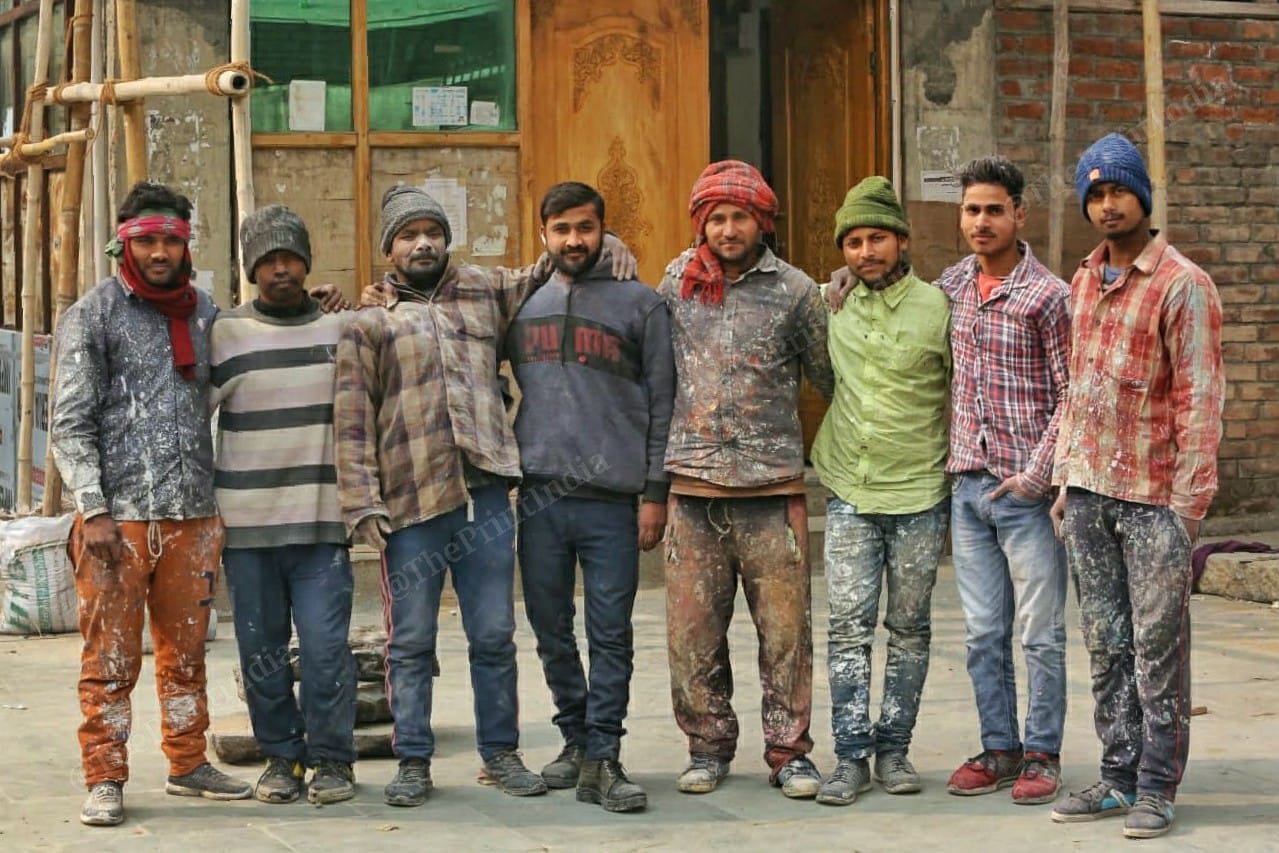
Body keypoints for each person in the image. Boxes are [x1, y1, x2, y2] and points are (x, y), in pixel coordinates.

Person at [336, 185, 632, 807]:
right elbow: (353, 420)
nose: (423, 244)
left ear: (448, 240)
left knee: (494, 636)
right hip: (411, 504)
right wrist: (362, 502)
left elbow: (554, 259)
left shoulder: (483, 290)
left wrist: (615, 243)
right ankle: (412, 761)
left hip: (486, 497)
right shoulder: (369, 323)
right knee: (409, 642)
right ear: (389, 248)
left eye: (433, 232)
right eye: (408, 235)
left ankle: (500, 754)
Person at [51, 181, 253, 827]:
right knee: (110, 660)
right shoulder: (93, 314)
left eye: (171, 239)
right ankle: (105, 776)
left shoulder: (205, 313)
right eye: (148, 240)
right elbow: (69, 423)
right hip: (118, 523)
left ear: (186, 244)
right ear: (124, 242)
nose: (160, 252)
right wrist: (94, 509)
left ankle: (187, 763)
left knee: (186, 655)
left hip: (193, 515)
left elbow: (256, 350)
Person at [1048, 133, 1224, 840]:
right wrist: (1066, 477)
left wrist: (1187, 508)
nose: (1107, 205)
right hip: (1090, 492)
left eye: (1118, 190)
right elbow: (1076, 388)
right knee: (1105, 642)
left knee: (1157, 649)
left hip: (1154, 501)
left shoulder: (1182, 283)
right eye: (1094, 194)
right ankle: (1117, 776)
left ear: (1142, 198)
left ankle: (1156, 786)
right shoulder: (1084, 279)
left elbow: (1200, 399)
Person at [659, 160, 834, 799]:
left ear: (763, 222)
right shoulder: (676, 283)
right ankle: (707, 748)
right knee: (692, 636)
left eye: (740, 218)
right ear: (700, 223)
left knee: (786, 636)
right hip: (693, 489)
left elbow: (829, 376)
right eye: (717, 219)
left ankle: (789, 753)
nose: (728, 230)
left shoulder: (796, 291)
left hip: (773, 491)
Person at [507, 181, 674, 813]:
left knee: (611, 632)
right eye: (562, 229)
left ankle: (605, 754)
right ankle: (575, 740)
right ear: (543, 235)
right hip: (540, 497)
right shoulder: (522, 303)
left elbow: (663, 404)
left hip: (612, 498)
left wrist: (654, 492)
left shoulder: (641, 305)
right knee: (550, 628)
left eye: (586, 227)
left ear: (604, 230)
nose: (574, 240)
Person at [810, 177, 952, 806]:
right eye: (853, 243)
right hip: (848, 489)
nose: (865, 252)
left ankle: (894, 750)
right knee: (847, 628)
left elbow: (962, 390)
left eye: (877, 239)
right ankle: (849, 757)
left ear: (902, 241)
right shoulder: (830, 304)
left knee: (910, 628)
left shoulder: (939, 308)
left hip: (920, 490)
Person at [210, 205, 358, 806]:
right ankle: (281, 758)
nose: (280, 270)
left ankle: (333, 760)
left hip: (323, 525)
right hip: (247, 528)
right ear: (251, 269)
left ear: (307, 263)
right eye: (268, 260)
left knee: (326, 651)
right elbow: (191, 418)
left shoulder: (340, 330)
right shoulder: (224, 333)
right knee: (261, 653)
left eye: (291, 258)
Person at [936, 157, 1071, 806]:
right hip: (967, 490)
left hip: (1027, 497)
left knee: (1039, 633)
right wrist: (843, 281)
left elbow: (1072, 394)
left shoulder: (1049, 296)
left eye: (994, 209)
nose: (981, 221)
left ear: (1019, 213)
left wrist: (1035, 478)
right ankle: (999, 748)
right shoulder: (950, 286)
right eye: (971, 210)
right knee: (982, 632)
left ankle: (1041, 753)